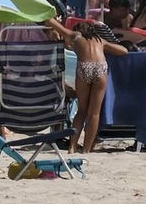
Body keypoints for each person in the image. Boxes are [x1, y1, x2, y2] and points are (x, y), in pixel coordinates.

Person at [43, 17, 128, 153]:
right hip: (100, 68)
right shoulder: (100, 41)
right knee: (94, 113)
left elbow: (52, 23)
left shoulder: (76, 36)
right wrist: (105, 46)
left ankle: (72, 147)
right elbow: (124, 51)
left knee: (82, 111)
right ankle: (87, 150)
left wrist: (49, 16)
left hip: (85, 67)